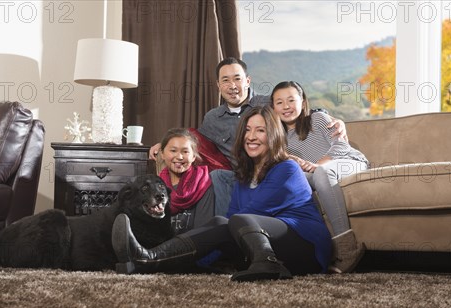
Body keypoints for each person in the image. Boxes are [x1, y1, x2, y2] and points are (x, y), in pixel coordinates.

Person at [113, 105, 332, 281]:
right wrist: (195, 259)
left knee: (236, 220)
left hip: (305, 246)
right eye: (247, 129)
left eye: (260, 130)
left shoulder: (287, 169)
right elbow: (228, 225)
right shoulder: (243, 177)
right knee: (222, 221)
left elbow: (245, 217)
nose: (251, 136)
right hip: (261, 246)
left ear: (273, 135)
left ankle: (269, 264)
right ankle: (148, 258)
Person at [148, 57, 346, 216]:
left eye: (237, 78)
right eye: (225, 80)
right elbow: (194, 140)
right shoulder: (213, 119)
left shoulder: (267, 103)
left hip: (273, 171)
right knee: (214, 176)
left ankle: (231, 237)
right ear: (218, 85)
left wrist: (331, 117)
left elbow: (294, 109)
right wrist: (165, 144)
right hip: (241, 175)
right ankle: (217, 237)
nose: (232, 85)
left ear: (248, 81)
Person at [271, 81, 370, 273]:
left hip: (348, 162)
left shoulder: (318, 118)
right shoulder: (279, 138)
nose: (286, 107)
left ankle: (347, 249)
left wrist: (318, 165)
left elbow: (341, 146)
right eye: (279, 102)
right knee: (293, 182)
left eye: (291, 100)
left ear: (303, 101)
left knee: (322, 173)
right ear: (273, 107)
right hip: (316, 174)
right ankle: (314, 250)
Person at [157, 128, 214, 234]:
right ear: (162, 154)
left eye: (185, 151)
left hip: (192, 245)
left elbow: (202, 230)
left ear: (193, 157)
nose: (179, 157)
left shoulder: (203, 183)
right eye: (173, 151)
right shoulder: (156, 186)